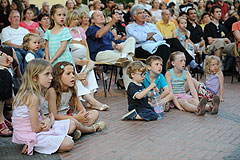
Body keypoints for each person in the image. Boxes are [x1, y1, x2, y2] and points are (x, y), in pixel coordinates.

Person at [12, 59, 76, 155]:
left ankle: (57, 137)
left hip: (39, 127)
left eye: (51, 74)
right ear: (35, 77)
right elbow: (36, 128)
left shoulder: (37, 93)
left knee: (72, 124)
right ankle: (31, 143)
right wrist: (50, 122)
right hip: (29, 133)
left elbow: (42, 115)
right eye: (47, 74)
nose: (51, 78)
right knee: (69, 144)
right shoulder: (32, 97)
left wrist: (47, 120)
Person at [42, 61, 106, 130]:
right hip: (55, 120)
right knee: (72, 123)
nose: (72, 76)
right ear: (58, 77)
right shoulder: (52, 91)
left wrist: (83, 116)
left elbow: (81, 109)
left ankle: (78, 130)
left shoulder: (72, 90)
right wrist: (75, 118)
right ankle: (89, 129)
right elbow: (54, 115)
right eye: (68, 74)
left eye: (73, 73)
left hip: (68, 117)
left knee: (95, 113)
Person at [86, 10, 136, 89]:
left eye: (102, 15)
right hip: (99, 54)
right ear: (92, 20)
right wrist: (112, 22)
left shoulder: (108, 31)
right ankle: (131, 89)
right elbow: (99, 35)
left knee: (131, 39)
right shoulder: (91, 29)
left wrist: (116, 45)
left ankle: (124, 56)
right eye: (98, 15)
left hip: (112, 52)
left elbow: (112, 43)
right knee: (129, 60)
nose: (102, 16)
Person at [126, 4, 171, 74]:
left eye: (143, 12)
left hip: (154, 45)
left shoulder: (151, 25)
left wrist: (146, 38)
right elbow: (139, 38)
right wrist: (150, 35)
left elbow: (160, 37)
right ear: (134, 17)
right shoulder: (130, 27)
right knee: (164, 48)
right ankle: (164, 74)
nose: (143, 15)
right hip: (140, 49)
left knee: (174, 42)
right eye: (140, 13)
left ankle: (185, 66)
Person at [165, 51, 207, 116]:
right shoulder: (169, 74)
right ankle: (197, 109)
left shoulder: (186, 73)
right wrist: (178, 106)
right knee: (184, 103)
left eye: (184, 60)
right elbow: (171, 92)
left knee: (192, 100)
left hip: (183, 94)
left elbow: (192, 89)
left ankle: (210, 107)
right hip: (174, 98)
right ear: (173, 63)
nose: (183, 63)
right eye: (181, 61)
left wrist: (197, 101)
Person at [204, 5, 240, 73]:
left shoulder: (222, 26)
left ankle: (236, 69)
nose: (219, 13)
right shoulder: (208, 26)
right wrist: (223, 40)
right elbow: (210, 40)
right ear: (212, 14)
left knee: (235, 45)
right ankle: (218, 67)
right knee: (220, 42)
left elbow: (228, 40)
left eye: (220, 12)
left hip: (223, 46)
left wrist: (226, 40)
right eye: (217, 12)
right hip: (211, 47)